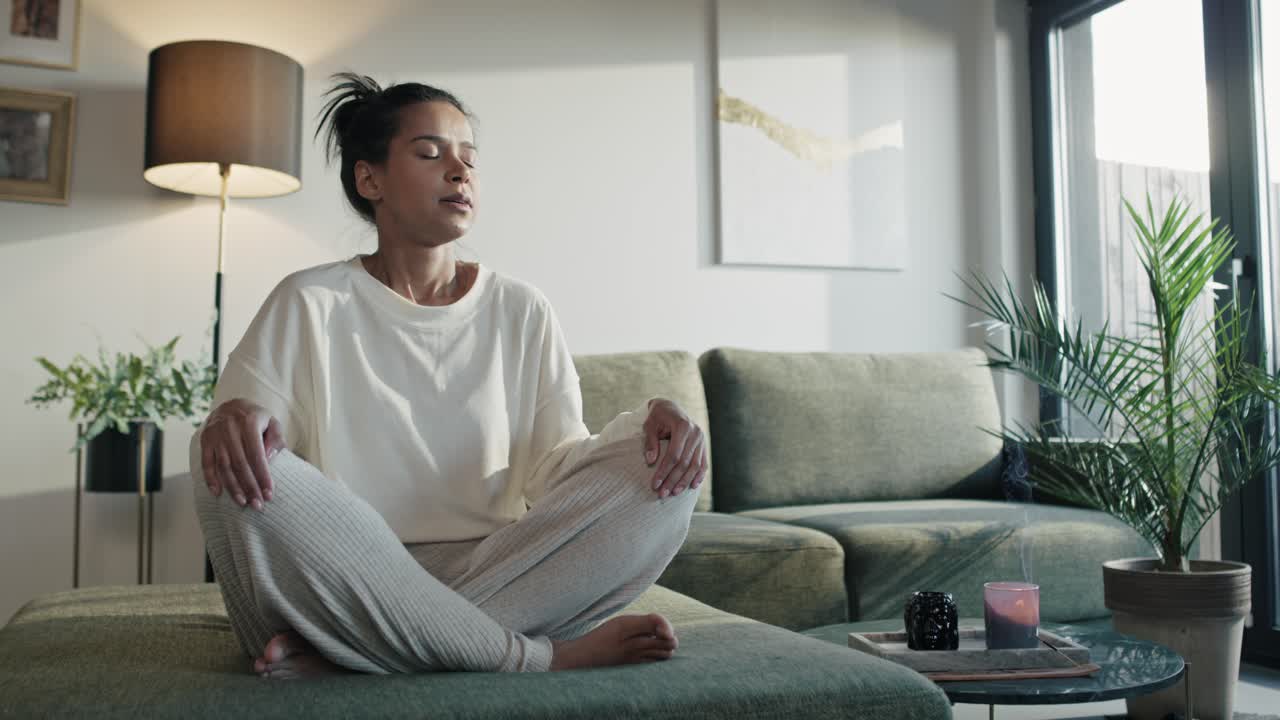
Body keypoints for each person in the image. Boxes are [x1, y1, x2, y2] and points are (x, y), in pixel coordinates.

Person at [190, 72, 707, 680]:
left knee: (668, 473)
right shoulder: (309, 300)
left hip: (498, 570)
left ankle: (359, 655)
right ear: (370, 179)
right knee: (220, 456)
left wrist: (650, 428)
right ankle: (536, 657)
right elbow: (253, 449)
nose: (460, 172)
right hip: (345, 576)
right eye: (431, 153)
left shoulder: (521, 308)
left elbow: (556, 468)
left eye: (469, 159)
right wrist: (234, 417)